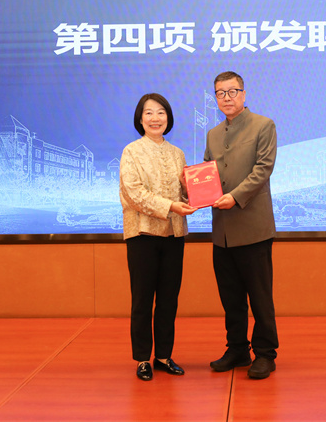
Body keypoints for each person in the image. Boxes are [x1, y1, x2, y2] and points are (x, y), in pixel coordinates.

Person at [204, 71, 279, 380]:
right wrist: (193, 187)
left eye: (232, 91)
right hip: (222, 230)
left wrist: (234, 197)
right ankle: (237, 349)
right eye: (220, 93)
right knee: (231, 297)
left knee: (259, 296)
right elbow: (207, 173)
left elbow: (263, 168)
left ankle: (265, 353)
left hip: (253, 226)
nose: (227, 98)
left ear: (244, 94)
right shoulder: (213, 134)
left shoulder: (264, 125)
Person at [119, 93, 198, 381]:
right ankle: (143, 358)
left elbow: (185, 196)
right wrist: (171, 206)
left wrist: (190, 190)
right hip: (142, 233)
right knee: (142, 299)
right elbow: (133, 193)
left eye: (161, 112)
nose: (155, 118)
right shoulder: (131, 151)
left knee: (168, 299)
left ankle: (163, 355)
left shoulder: (178, 153)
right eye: (149, 113)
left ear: (168, 118)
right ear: (140, 119)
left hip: (174, 234)